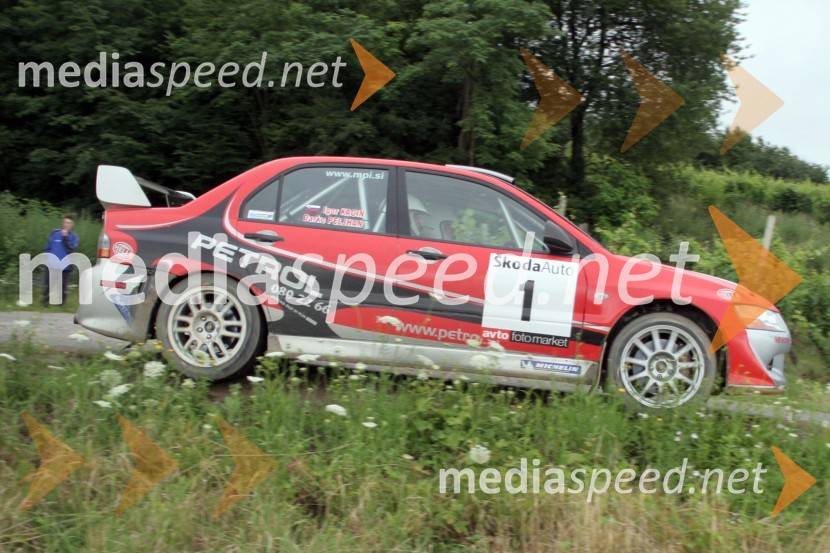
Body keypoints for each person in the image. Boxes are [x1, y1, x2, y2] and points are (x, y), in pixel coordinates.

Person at [42, 214, 80, 306]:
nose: (67, 224)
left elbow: (71, 248)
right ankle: (45, 302)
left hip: (65, 265)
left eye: (69, 223)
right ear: (63, 222)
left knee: (63, 285)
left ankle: (61, 303)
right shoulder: (55, 233)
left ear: (72, 224)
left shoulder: (74, 236)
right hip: (52, 263)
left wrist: (65, 237)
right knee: (49, 283)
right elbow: (48, 247)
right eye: (66, 222)